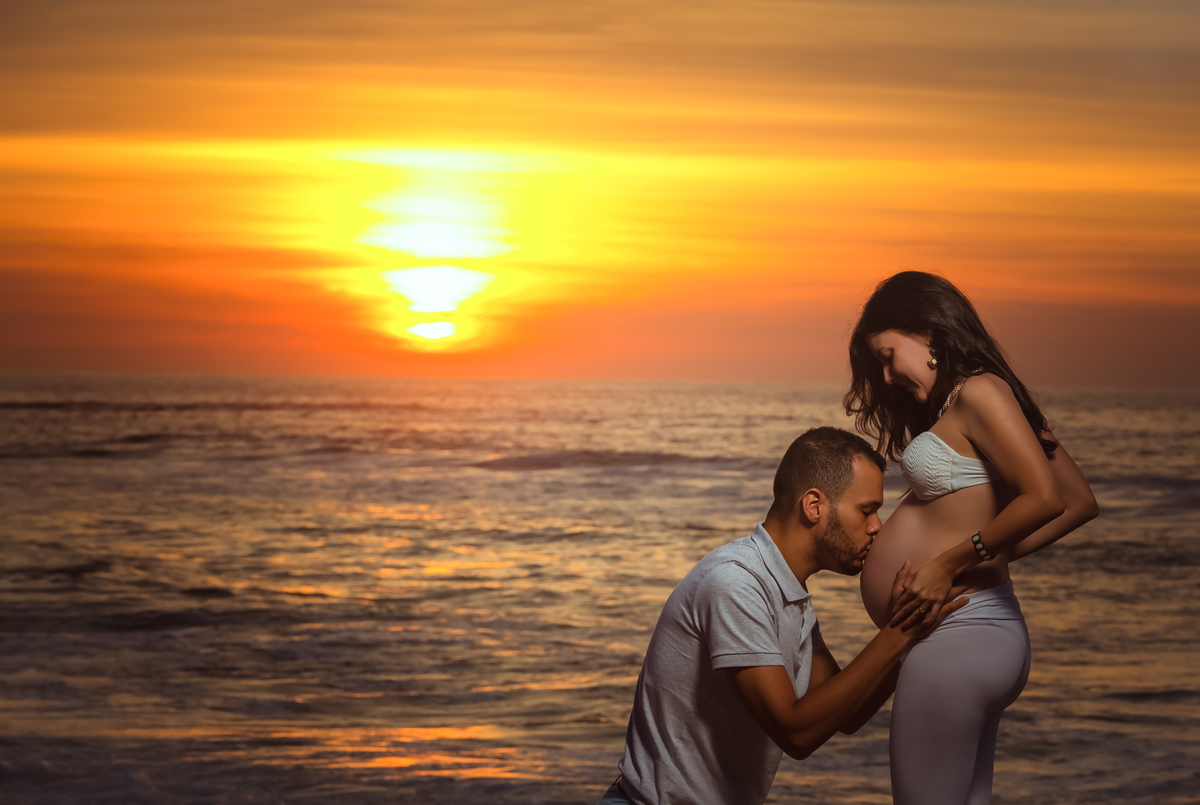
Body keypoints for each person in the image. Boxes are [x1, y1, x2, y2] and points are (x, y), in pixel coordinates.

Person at [596, 427, 970, 805]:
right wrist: (897, 634)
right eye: (867, 509)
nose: (878, 526)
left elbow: (849, 716)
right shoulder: (735, 582)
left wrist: (911, 622)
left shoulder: (789, 596)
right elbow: (796, 733)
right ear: (814, 506)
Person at [845, 271, 1099, 805]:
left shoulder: (981, 391)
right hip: (974, 632)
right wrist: (986, 555)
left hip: (960, 636)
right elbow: (1078, 500)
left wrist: (949, 564)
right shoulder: (975, 399)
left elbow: (1048, 499)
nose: (887, 376)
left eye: (889, 355)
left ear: (927, 331)